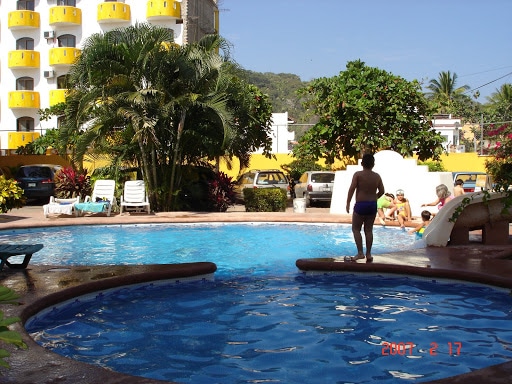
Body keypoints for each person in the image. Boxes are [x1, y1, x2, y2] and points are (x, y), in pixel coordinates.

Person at [345, 153, 385, 263]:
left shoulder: (358, 175)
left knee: (356, 229)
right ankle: (368, 254)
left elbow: (352, 189)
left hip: (361, 205)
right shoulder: (377, 176)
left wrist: (348, 202)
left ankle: (360, 253)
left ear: (362, 163)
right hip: (372, 205)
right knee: (368, 230)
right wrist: (374, 197)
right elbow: (382, 191)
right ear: (373, 164)